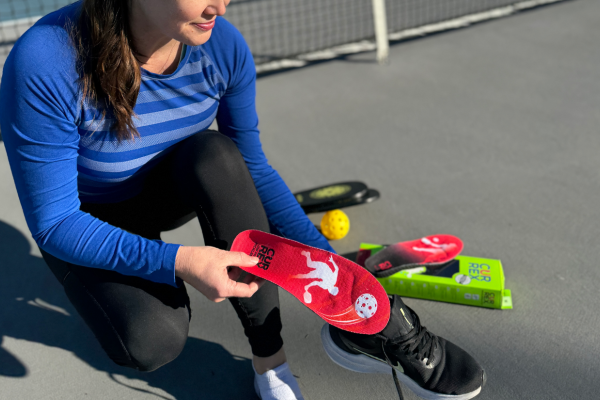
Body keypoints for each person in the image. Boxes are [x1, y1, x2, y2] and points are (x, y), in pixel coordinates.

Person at [0, 1, 486, 399]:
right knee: (151, 343)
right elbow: (56, 221)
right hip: (88, 218)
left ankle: (271, 363)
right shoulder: (46, 61)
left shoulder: (222, 46)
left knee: (219, 156)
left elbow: (251, 168)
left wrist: (338, 276)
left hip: (169, 187)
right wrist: (180, 260)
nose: (221, 3)